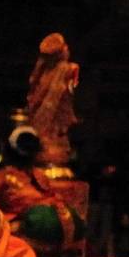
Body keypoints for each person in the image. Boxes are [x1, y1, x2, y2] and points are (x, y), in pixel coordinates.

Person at [24, 33, 81, 171]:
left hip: (57, 119)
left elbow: (68, 91)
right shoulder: (43, 72)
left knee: (54, 137)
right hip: (40, 119)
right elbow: (34, 95)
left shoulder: (70, 69)